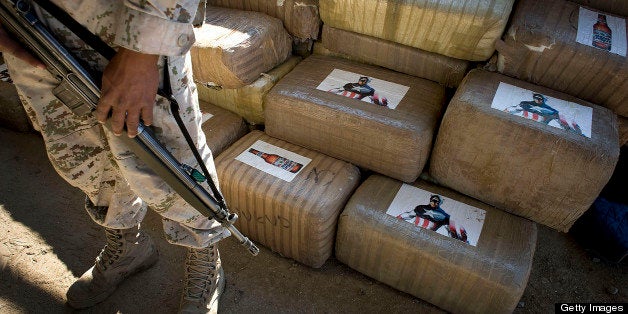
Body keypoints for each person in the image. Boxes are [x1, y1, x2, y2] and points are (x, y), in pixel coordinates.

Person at [0, 1, 229, 312]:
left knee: (172, 163)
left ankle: (205, 256)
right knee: (82, 157)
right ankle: (127, 247)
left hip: (120, 24)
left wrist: (141, 54)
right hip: (27, 24)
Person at [397, 195, 468, 243]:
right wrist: (397, 219)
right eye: (433, 201)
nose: (434, 203)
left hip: (425, 238)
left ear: (439, 203)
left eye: (436, 202)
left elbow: (451, 231)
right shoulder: (420, 208)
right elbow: (408, 215)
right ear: (430, 200)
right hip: (412, 233)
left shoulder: (444, 216)